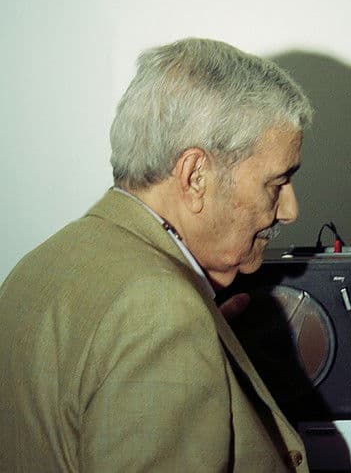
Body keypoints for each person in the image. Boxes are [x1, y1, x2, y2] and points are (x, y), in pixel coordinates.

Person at [0, 38, 313, 472]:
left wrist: (206, 348)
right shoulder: (159, 313)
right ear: (195, 176)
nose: (290, 210)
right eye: (276, 183)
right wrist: (182, 330)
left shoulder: (41, 264)